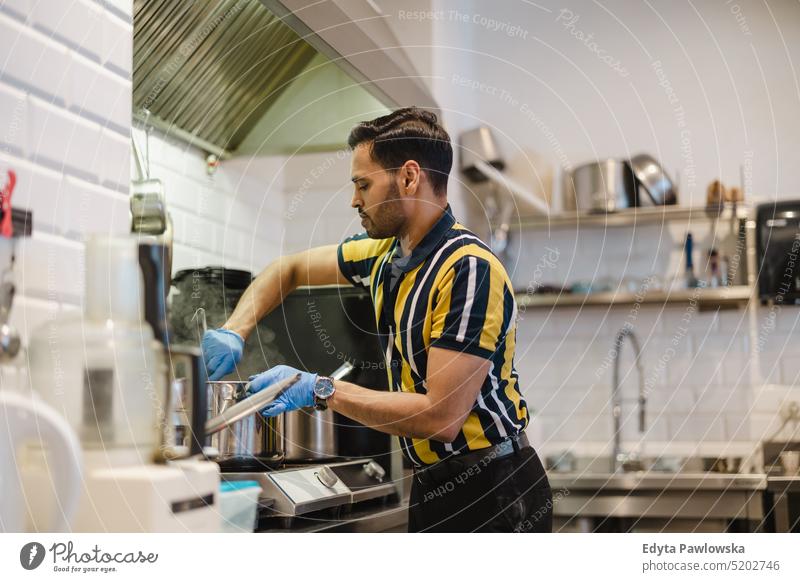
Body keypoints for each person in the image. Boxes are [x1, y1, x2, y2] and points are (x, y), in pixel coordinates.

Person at [201, 107, 552, 532]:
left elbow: (441, 417)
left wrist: (320, 389)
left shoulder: (468, 269)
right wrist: (233, 330)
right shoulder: (385, 256)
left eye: (363, 185)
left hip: (494, 491)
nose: (354, 200)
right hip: (431, 483)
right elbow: (286, 270)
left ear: (408, 177)